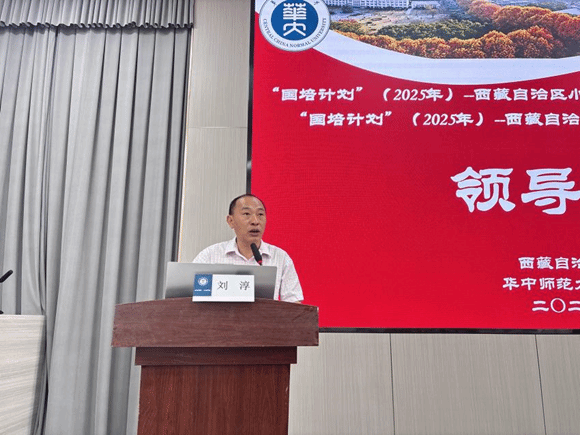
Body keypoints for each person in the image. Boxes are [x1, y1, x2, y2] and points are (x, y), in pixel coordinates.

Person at [193, 194, 303, 303]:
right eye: (246, 214)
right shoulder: (209, 256)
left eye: (260, 214)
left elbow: (294, 305)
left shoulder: (281, 258)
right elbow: (190, 299)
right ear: (230, 221)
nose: (255, 221)